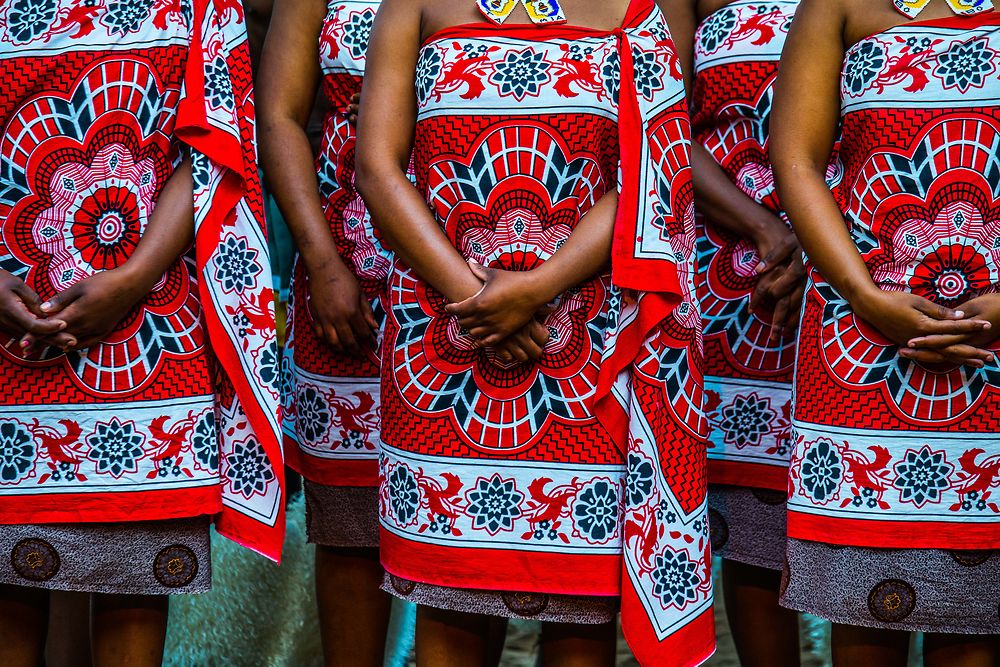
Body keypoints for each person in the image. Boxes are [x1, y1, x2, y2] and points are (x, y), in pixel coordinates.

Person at [354, 0, 715, 665]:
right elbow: (376, 167)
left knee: (580, 617)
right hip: (441, 351)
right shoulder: (412, 5)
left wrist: (534, 291)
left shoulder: (637, 11)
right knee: (450, 604)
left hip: (587, 349)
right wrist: (475, 298)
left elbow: (652, 173)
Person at [0, 1, 284, 665]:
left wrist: (132, 279)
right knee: (6, 589)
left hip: (149, 338)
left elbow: (215, 145)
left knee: (135, 583)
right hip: (11, 336)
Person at [772, 0, 1000, 665]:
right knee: (864, 614)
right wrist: (865, 296)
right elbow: (797, 159)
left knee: (980, 619)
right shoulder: (837, 5)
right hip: (861, 342)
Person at [689, 1, 834, 664]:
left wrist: (820, 241)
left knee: (877, 505)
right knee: (750, 519)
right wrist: (767, 228)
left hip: (864, 257)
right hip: (734, 275)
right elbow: (656, 115)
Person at [258, 1, 395, 665]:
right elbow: (280, 115)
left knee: (478, 524)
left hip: (491, 269)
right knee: (350, 524)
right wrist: (319, 261)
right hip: (350, 276)